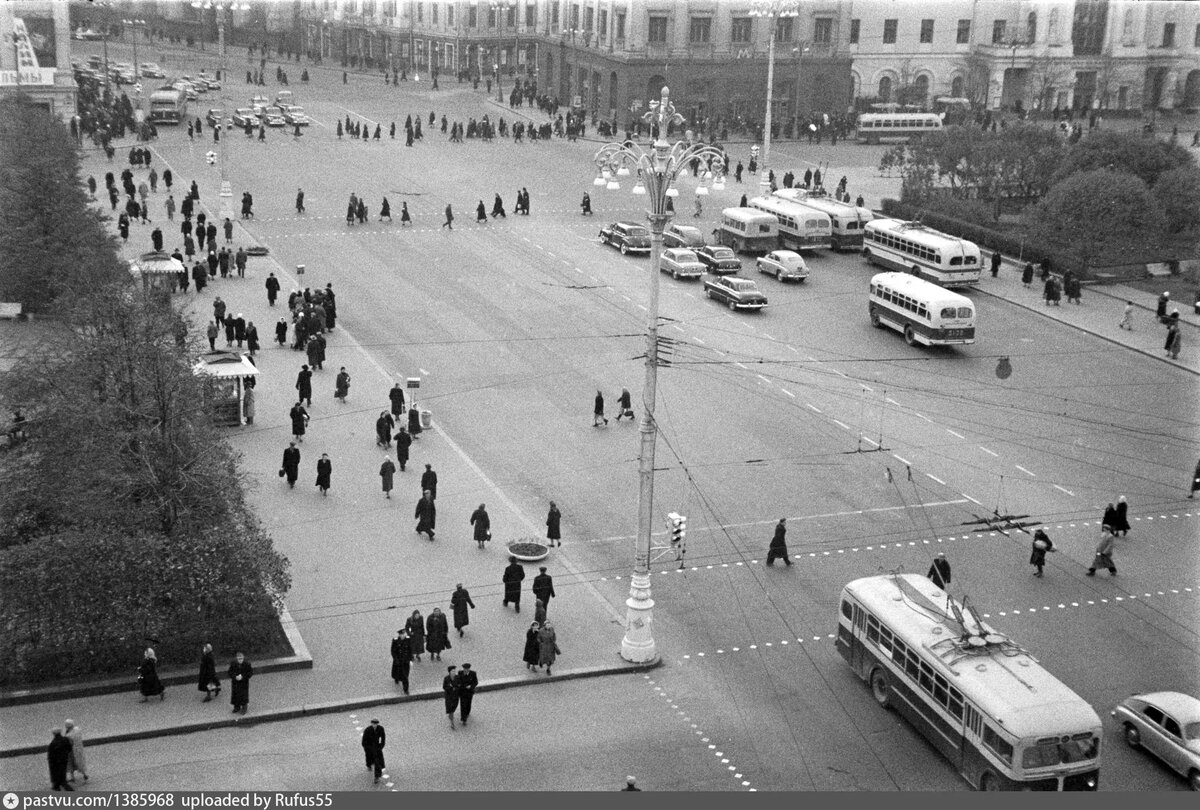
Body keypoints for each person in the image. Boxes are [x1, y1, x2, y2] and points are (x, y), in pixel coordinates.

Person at [361, 719, 386, 784]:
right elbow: (364, 741)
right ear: (371, 723)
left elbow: (383, 738)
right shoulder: (367, 730)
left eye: (376, 724)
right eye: (373, 724)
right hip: (369, 747)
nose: (375, 725)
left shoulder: (380, 729)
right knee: (369, 758)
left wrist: (381, 746)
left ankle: (377, 776)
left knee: (377, 761)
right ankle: (369, 765)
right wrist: (367, 748)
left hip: (377, 748)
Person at [390, 629, 412, 693]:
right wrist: (395, 659)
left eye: (404, 634)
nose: (403, 636)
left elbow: (410, 650)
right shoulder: (395, 640)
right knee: (397, 672)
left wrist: (410, 659)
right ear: (399, 635)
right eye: (402, 634)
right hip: (398, 660)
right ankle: (396, 678)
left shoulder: (408, 640)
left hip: (405, 661)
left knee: (405, 675)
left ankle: (406, 689)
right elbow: (393, 651)